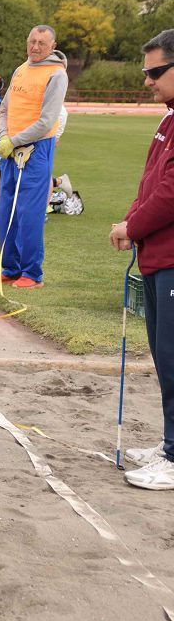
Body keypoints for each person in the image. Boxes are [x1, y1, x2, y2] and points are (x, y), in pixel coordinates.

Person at [110, 29, 174, 490]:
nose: (148, 81)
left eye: (156, 72)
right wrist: (132, 220)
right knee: (163, 355)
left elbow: (171, 194)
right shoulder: (169, 120)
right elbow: (151, 182)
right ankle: (171, 442)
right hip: (157, 257)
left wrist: (133, 227)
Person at [0, 25, 69, 289]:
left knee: (29, 213)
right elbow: (6, 107)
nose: (35, 47)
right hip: (10, 150)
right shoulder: (21, 69)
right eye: (31, 41)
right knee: (6, 210)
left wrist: (15, 140)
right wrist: (3, 137)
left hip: (36, 151)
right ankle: (10, 268)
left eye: (41, 43)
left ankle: (32, 273)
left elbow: (46, 122)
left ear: (53, 45)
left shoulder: (56, 74)